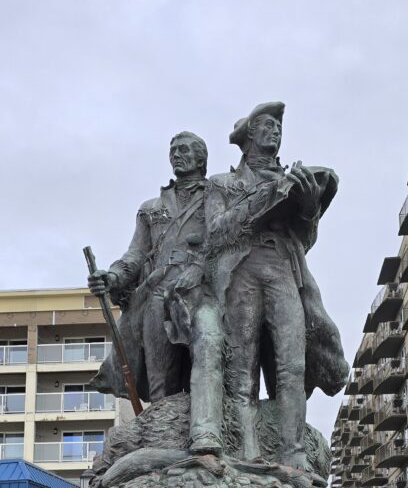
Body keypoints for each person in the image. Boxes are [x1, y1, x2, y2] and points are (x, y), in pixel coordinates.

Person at [204, 101, 349, 469]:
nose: (276, 131)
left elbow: (305, 241)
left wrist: (308, 208)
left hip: (284, 270)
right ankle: (246, 452)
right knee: (242, 370)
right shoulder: (222, 184)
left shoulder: (290, 177)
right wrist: (262, 201)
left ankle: (293, 452)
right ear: (249, 135)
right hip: (241, 272)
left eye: (278, 127)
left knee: (292, 366)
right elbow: (215, 234)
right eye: (267, 125)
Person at [88, 132, 223, 455]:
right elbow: (135, 254)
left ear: (201, 158)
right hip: (158, 292)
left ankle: (206, 432)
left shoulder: (217, 198)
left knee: (206, 363)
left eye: (185, 149)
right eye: (173, 150)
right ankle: (162, 444)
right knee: (161, 379)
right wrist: (113, 275)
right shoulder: (151, 208)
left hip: (201, 291)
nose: (177, 154)